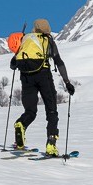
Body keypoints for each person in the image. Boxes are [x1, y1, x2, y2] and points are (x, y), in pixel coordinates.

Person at [10, 18, 75, 155]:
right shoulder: (48, 40)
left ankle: (21, 124)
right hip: (43, 75)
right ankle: (51, 144)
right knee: (51, 111)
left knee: (30, 111)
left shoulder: (25, 39)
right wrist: (67, 83)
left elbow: (13, 64)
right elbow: (58, 62)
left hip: (26, 76)